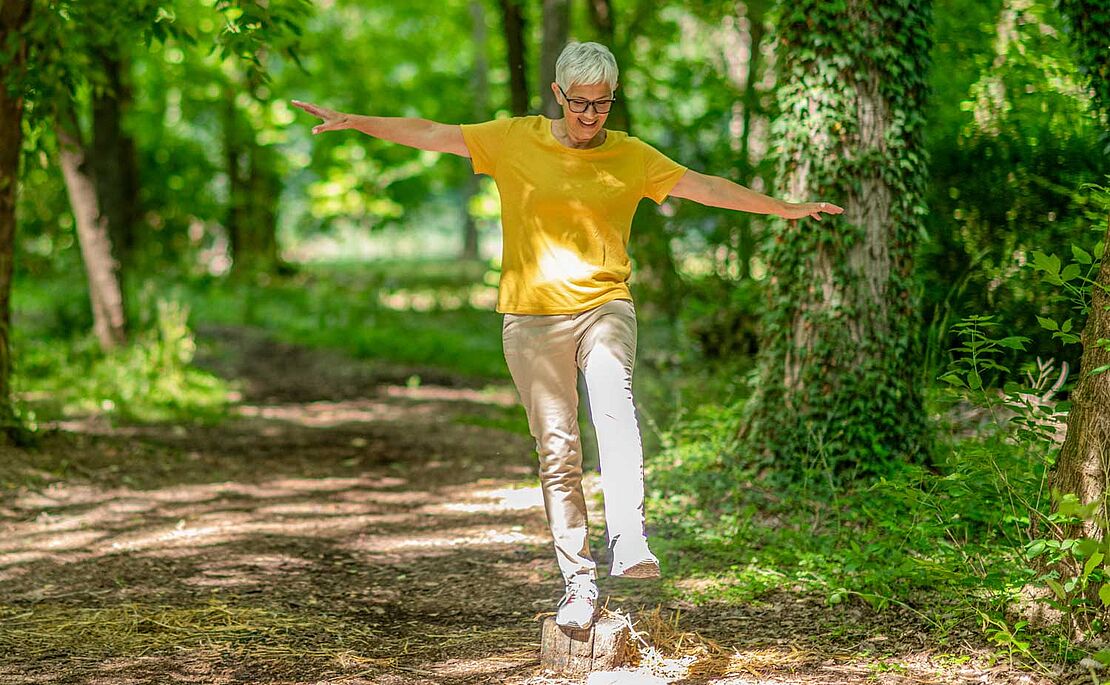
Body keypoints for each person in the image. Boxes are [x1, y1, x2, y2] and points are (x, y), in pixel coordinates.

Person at [292, 41, 843, 631]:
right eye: (580, 104)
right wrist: (354, 122)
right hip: (531, 319)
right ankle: (578, 582)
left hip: (604, 305)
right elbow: (431, 131)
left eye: (602, 105)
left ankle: (629, 540)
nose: (590, 117)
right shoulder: (513, 139)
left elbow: (706, 187)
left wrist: (783, 209)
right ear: (558, 95)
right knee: (558, 451)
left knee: (614, 408)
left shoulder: (631, 156)